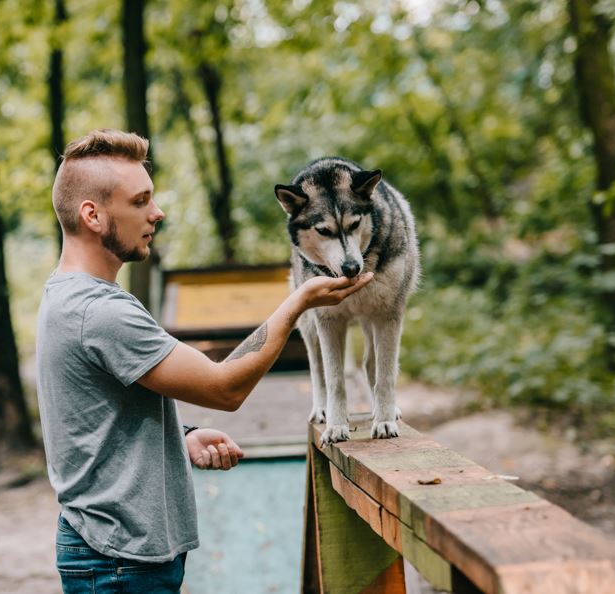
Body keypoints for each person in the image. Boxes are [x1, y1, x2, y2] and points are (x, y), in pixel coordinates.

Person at [35, 128, 373, 594]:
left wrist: (182, 437)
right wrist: (298, 301)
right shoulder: (100, 311)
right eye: (140, 202)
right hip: (118, 562)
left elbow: (94, 418)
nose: (158, 212)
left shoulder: (70, 295)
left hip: (115, 553)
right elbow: (224, 388)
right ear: (92, 215)